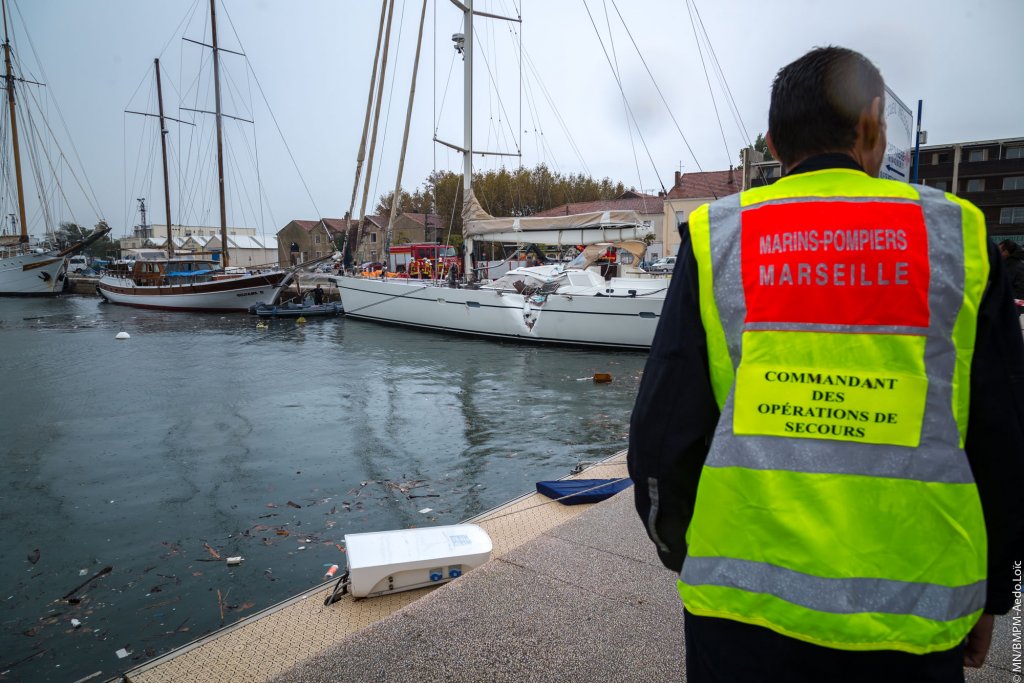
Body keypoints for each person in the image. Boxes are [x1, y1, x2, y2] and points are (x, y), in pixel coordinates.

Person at [628, 46, 1024, 681]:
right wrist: (996, 591)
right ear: (871, 122)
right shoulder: (958, 236)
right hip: (911, 620)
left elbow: (662, 436)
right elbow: (1004, 440)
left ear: (772, 140)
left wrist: (679, 548)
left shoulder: (717, 236)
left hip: (740, 614)